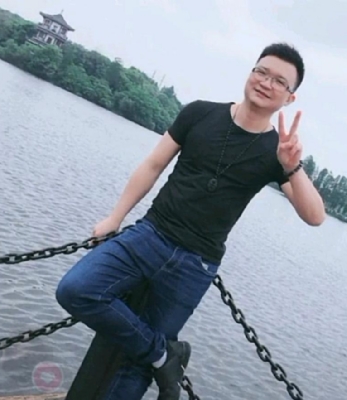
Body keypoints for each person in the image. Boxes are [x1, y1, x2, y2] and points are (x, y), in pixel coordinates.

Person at [55, 42, 325, 400]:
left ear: (289, 98)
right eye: (262, 71)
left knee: (135, 369)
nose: (266, 82)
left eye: (279, 81)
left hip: (195, 264)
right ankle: (163, 355)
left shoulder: (276, 152)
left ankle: (155, 356)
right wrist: (115, 217)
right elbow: (153, 165)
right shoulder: (200, 113)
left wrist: (292, 166)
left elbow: (315, 216)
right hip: (151, 234)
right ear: (251, 72)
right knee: (77, 289)